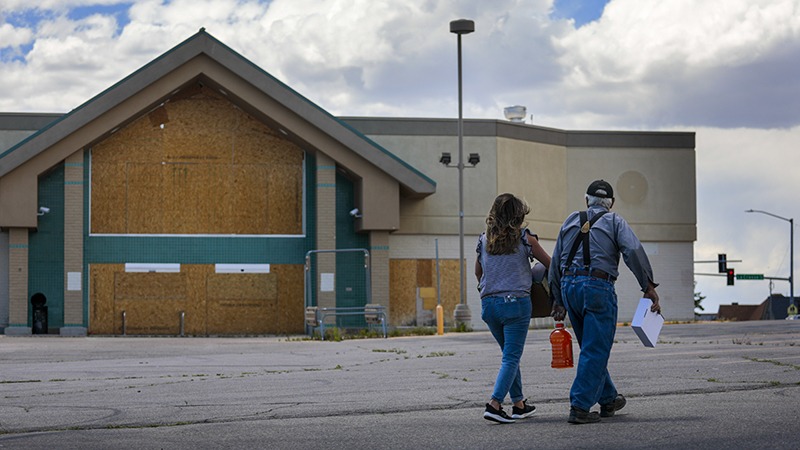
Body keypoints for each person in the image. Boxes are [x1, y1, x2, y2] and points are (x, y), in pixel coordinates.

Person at [548, 180, 661, 424]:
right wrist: (648, 285)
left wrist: (557, 299)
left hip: (569, 288)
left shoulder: (570, 220)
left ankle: (608, 398)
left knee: (590, 347)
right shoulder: (615, 221)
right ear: (611, 204)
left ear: (586, 200)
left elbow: (557, 259)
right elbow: (632, 250)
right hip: (597, 288)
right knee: (596, 349)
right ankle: (579, 406)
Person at [475, 193, 551, 424]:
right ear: (518, 216)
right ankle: (495, 404)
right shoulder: (525, 239)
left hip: (489, 305)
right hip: (516, 305)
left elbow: (479, 274)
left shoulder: (483, 240)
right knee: (511, 357)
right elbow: (551, 265)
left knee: (510, 355)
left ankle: (519, 404)